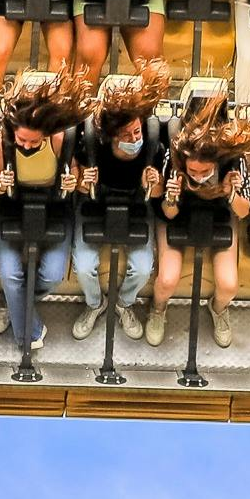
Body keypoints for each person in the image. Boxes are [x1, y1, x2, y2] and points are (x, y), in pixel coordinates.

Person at [67, 68, 176, 342]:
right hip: (96, 204)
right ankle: (95, 303)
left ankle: (124, 303)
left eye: (136, 131)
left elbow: (160, 193)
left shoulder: (152, 143)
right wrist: (82, 181)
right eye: (126, 136)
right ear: (112, 136)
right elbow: (75, 179)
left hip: (136, 206)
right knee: (83, 266)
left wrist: (154, 182)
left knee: (141, 267)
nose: (134, 139)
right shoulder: (92, 143)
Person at [0, 73, 92, 356]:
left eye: (35, 143)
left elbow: (77, 176)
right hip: (12, 208)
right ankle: (29, 332)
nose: (28, 146)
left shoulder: (60, 140)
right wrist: (0, 184)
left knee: (53, 273)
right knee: (11, 275)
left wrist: (73, 181)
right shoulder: (4, 142)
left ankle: (15, 306)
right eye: (24, 141)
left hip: (53, 209)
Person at [155, 92, 250, 347]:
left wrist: (230, 192)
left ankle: (218, 310)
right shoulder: (174, 157)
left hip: (219, 215)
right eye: (193, 171)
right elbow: (169, 212)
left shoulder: (234, 161)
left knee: (229, 286)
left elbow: (243, 211)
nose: (198, 175)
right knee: (167, 280)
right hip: (180, 214)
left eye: (205, 171)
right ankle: (157, 311)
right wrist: (172, 196)